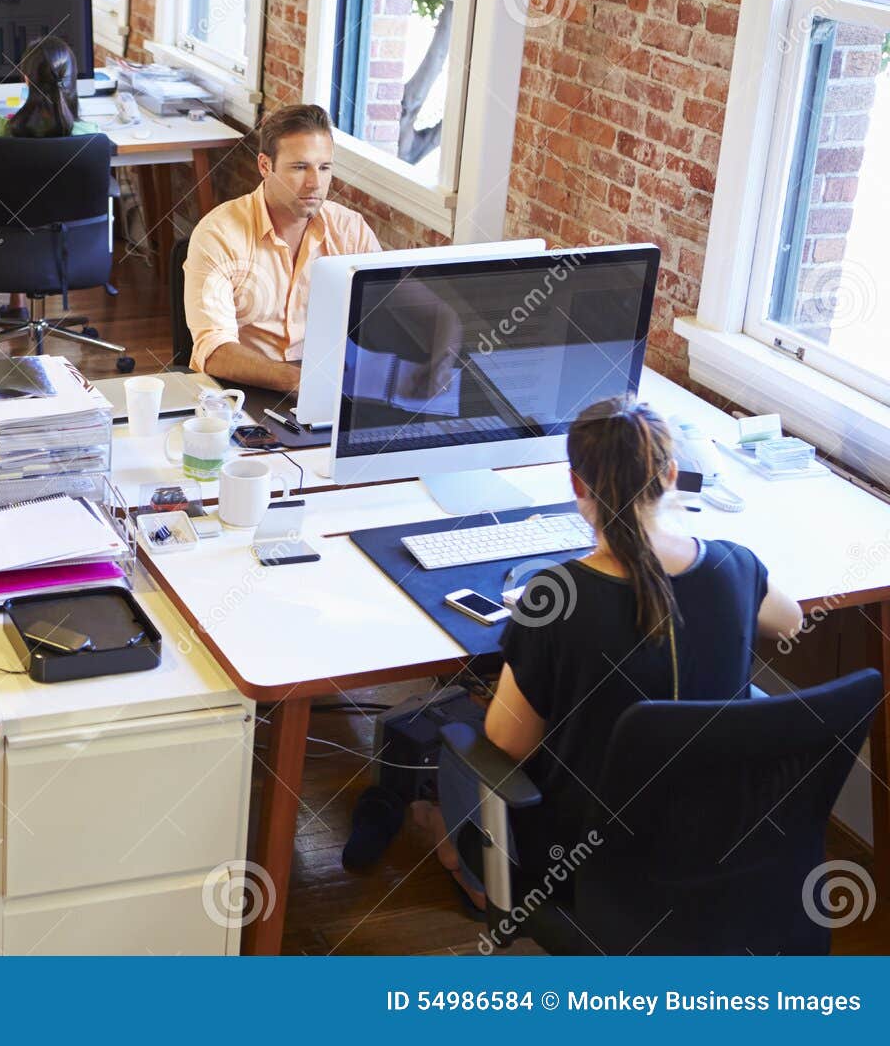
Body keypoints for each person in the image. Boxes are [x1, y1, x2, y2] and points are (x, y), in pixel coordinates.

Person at [427, 396, 803, 912]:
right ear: (672, 474)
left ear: (577, 485)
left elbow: (507, 744)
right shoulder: (734, 566)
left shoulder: (553, 599)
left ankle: (473, 875)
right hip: (718, 839)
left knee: (460, 734)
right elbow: (791, 620)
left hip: (583, 858)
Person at [184, 103, 382, 394]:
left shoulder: (350, 230)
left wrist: (442, 338)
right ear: (265, 166)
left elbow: (394, 304)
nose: (315, 183)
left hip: (327, 386)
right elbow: (214, 350)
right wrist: (298, 381)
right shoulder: (219, 234)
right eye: (300, 167)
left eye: (324, 167)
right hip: (242, 390)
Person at [0, 36, 99, 317]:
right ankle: (19, 303)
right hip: (73, 247)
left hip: (9, 247)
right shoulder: (90, 135)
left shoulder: (0, 134)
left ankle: (18, 303)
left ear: (26, 80)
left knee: (12, 202)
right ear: (71, 80)